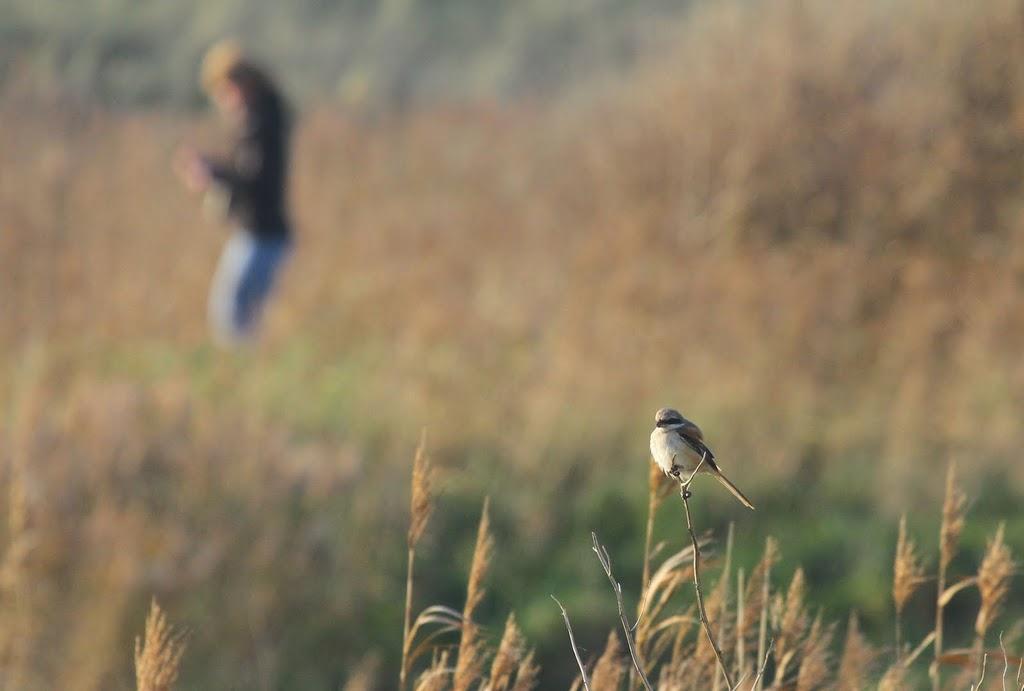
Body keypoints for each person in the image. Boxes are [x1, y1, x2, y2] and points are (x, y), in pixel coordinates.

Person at [174, 40, 293, 345]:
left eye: (224, 91)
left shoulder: (262, 125)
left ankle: (243, 376)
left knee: (233, 316)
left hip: (263, 234)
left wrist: (213, 172)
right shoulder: (261, 121)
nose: (222, 100)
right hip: (258, 232)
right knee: (237, 315)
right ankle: (244, 375)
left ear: (242, 83)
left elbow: (255, 180)